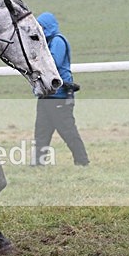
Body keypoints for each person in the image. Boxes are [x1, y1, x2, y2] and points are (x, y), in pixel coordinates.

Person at [33, 12, 90, 166]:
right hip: (46, 95)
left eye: (42, 27)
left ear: (49, 27)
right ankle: (38, 163)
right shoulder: (45, 43)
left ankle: (82, 161)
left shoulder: (57, 41)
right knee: (41, 132)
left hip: (59, 95)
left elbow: (52, 63)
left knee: (68, 132)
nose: (39, 29)